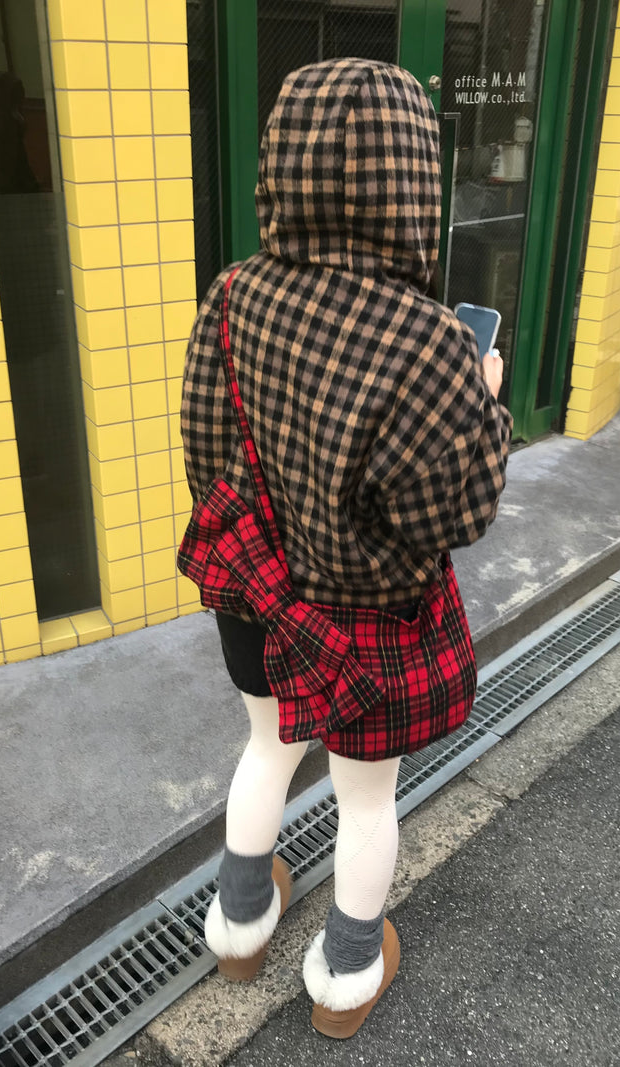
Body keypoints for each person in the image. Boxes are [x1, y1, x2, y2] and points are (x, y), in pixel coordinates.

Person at [181, 58, 512, 1038]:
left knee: (265, 747)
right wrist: (483, 404)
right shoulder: (430, 341)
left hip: (254, 596)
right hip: (364, 630)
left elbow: (205, 452)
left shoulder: (232, 295)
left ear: (280, 162)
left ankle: (240, 926)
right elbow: (453, 515)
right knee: (364, 803)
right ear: (413, 180)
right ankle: (346, 973)